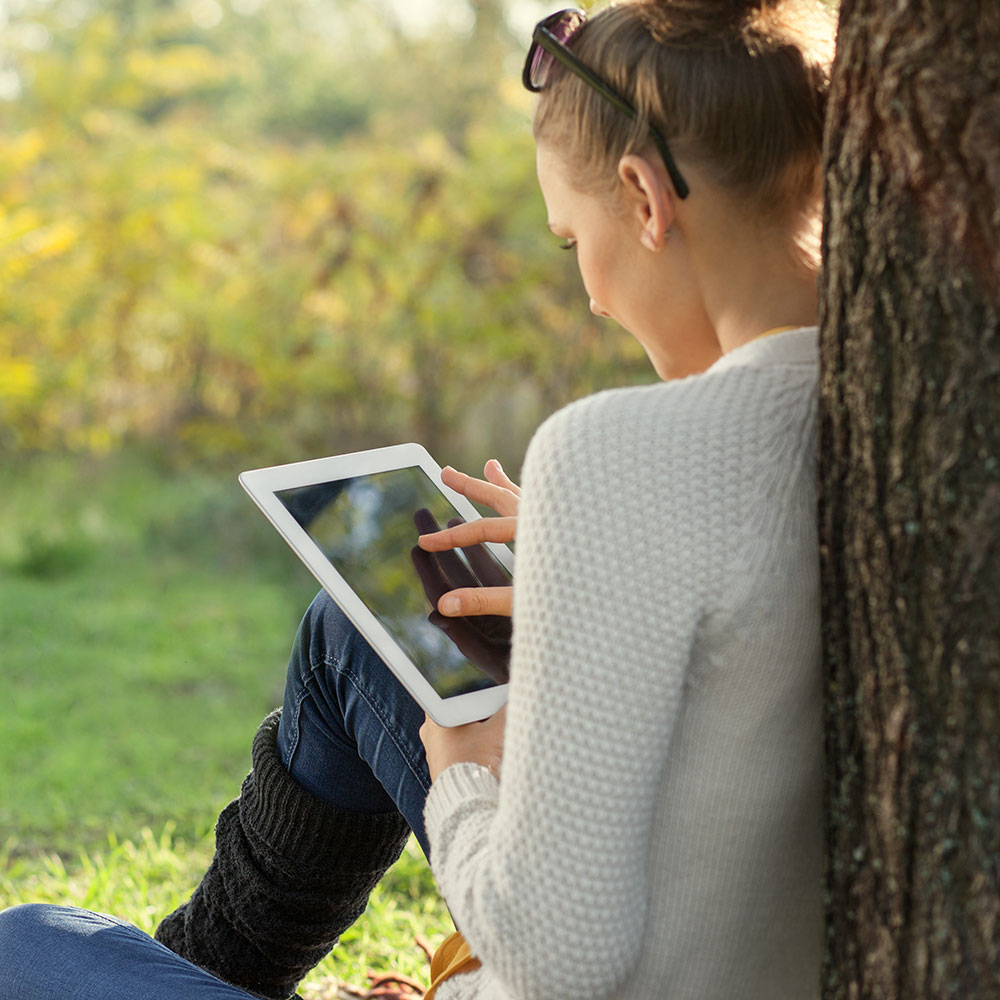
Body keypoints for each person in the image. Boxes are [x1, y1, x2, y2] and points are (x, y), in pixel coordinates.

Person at [0, 0, 835, 997]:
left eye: (574, 244)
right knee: (359, 628)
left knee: (28, 941)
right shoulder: (888, 404)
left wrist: (464, 774)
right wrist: (580, 568)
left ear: (644, 198)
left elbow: (560, 954)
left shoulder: (614, 448)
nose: (593, 298)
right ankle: (202, 969)